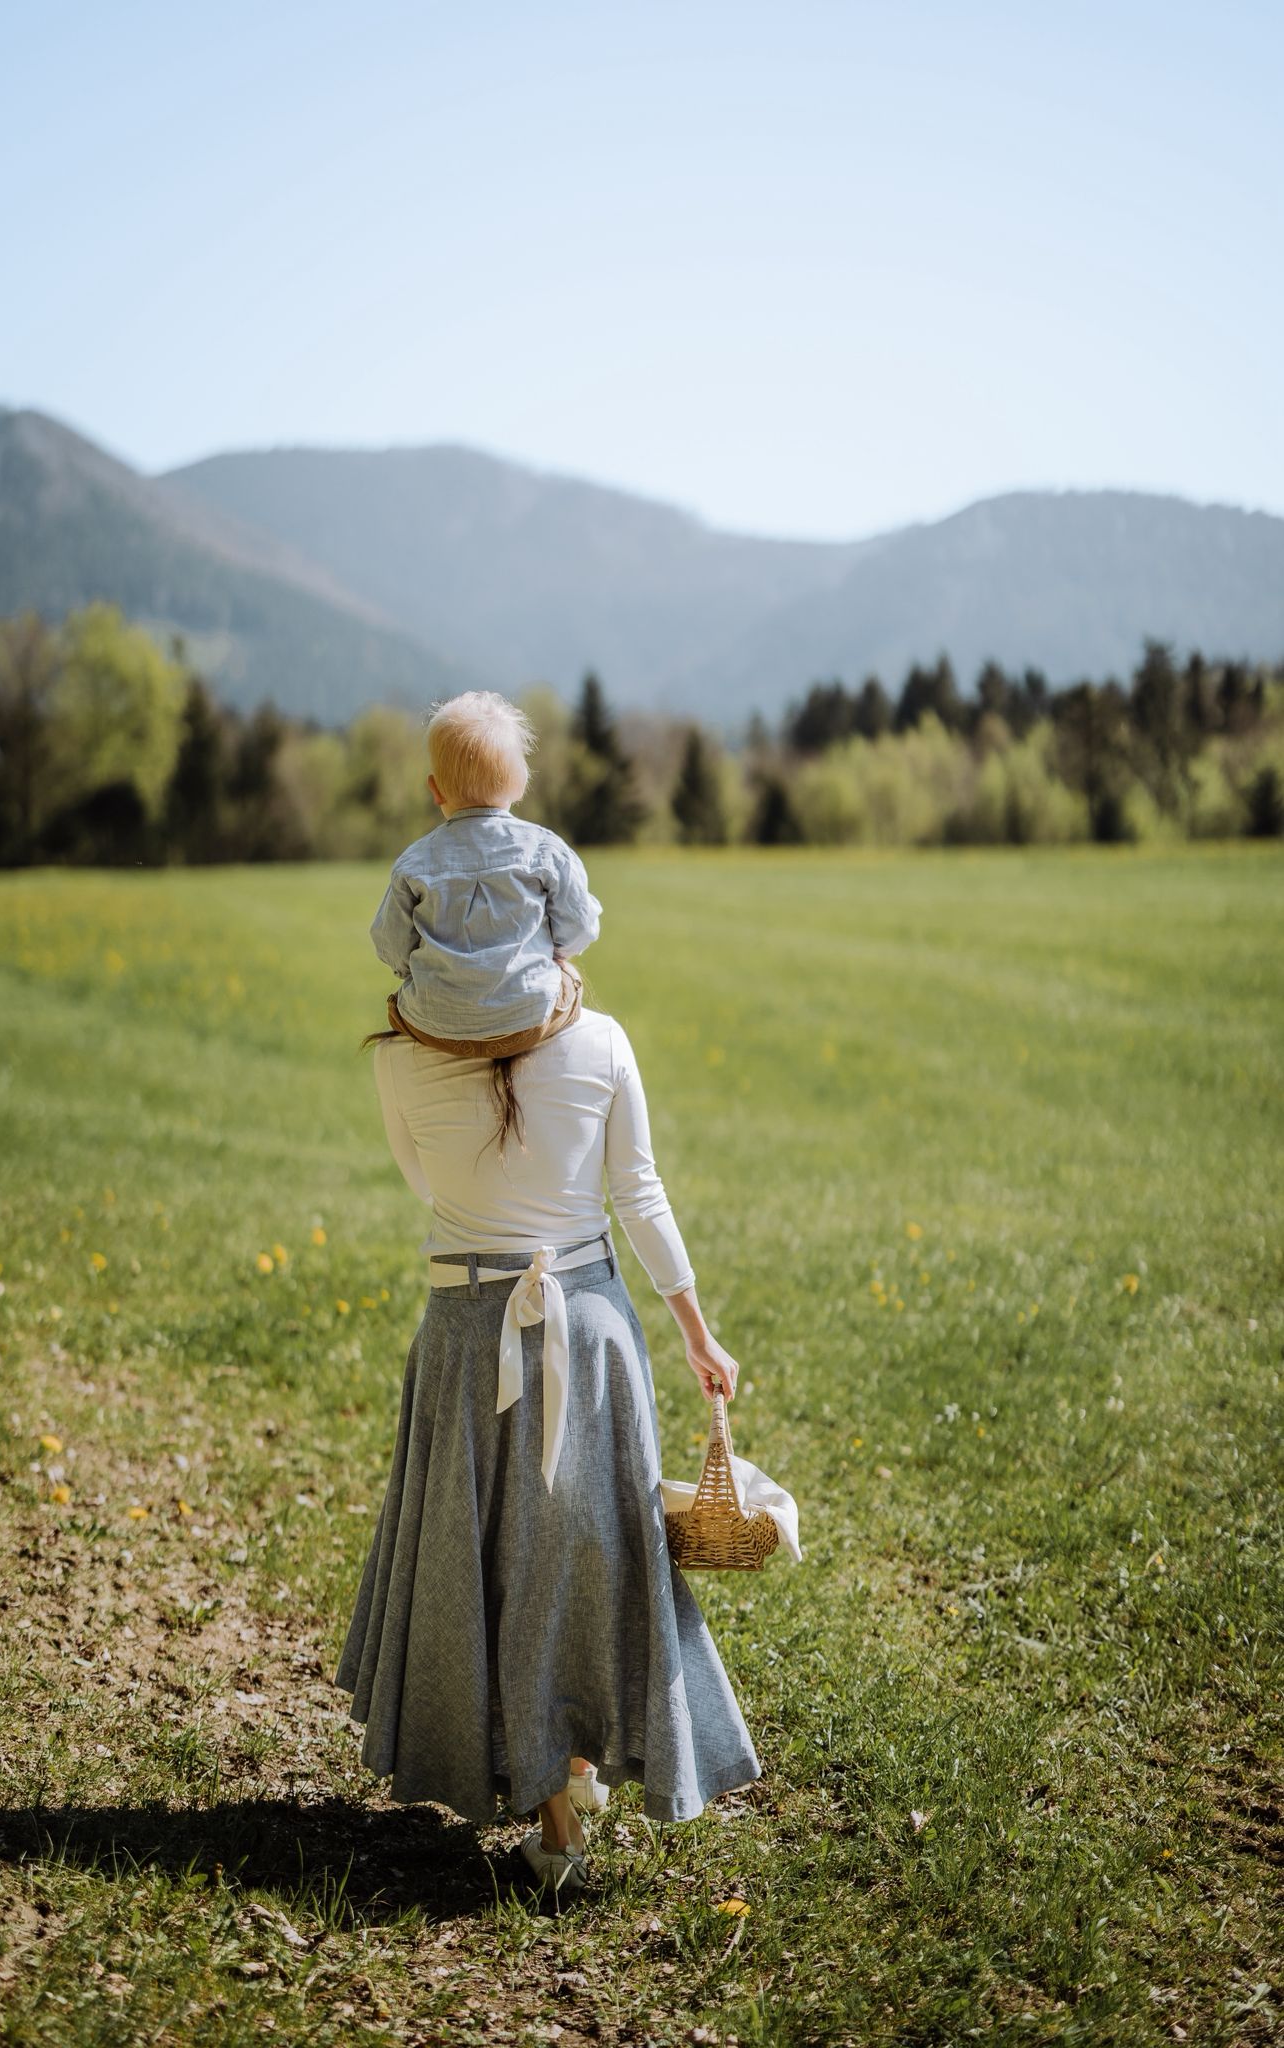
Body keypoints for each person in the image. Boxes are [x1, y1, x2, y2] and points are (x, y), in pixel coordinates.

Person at [335, 1005, 761, 1892]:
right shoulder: (602, 1039)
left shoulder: (398, 1060)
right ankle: (562, 1795)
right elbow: (637, 1190)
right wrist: (695, 1331)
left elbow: (429, 1187)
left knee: (487, 1562)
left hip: (465, 1328)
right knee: (587, 1550)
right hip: (592, 1323)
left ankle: (559, 1794)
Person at [370, 691, 602, 1058]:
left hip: (433, 1026)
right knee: (569, 977)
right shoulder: (546, 849)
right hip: (528, 1021)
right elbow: (580, 927)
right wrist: (554, 953)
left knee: (399, 1002)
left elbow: (389, 943)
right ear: (521, 780)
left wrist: (417, 973)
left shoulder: (413, 862)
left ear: (435, 788)